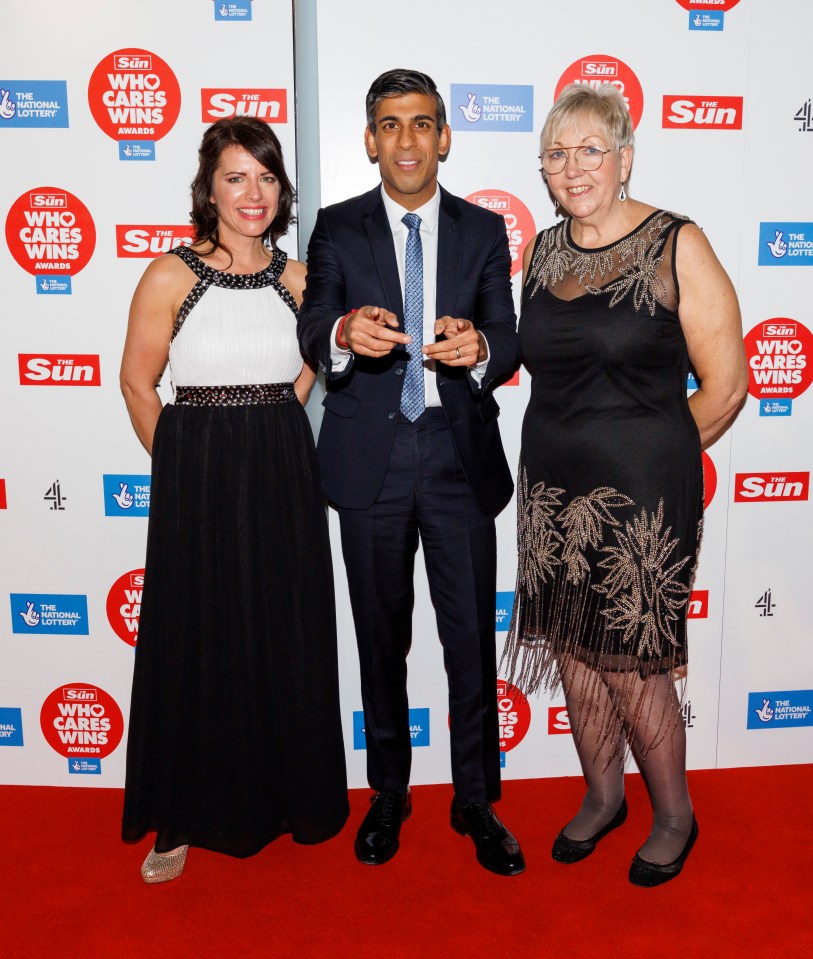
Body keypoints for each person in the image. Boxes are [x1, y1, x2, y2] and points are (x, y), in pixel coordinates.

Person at [502, 83, 747, 886]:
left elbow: (727, 383)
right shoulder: (541, 249)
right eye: (556, 154)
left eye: (589, 151)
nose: (572, 168)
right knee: (575, 644)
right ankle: (603, 795)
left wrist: (657, 452)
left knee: (632, 660)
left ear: (624, 157)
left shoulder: (677, 242)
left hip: (642, 493)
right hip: (549, 489)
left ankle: (673, 812)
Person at [297, 69, 524, 876]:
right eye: (389, 125)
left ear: (443, 138)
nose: (405, 140)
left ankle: (476, 801)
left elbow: (504, 327)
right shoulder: (335, 227)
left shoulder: (481, 229)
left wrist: (483, 352)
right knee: (378, 641)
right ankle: (387, 793)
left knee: (468, 643)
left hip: (459, 460)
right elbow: (313, 319)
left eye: (421, 124)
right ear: (368, 139)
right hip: (370, 463)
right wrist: (341, 332)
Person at [119, 116, 349, 883]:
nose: (253, 193)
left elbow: (314, 362)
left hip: (282, 470)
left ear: (281, 190)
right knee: (198, 642)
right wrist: (183, 464)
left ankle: (285, 799)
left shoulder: (299, 280)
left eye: (266, 177)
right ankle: (181, 815)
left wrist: (282, 422)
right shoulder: (169, 275)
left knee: (282, 634)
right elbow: (137, 382)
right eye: (235, 177)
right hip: (199, 475)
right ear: (208, 188)